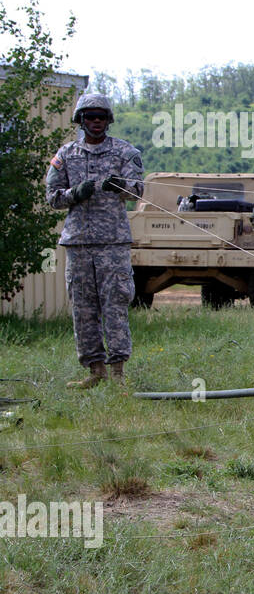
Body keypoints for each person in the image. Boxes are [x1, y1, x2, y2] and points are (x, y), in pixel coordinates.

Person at [44, 93, 144, 388]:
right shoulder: (65, 155)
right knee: (83, 308)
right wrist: (74, 194)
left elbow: (138, 191)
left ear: (108, 120)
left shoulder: (125, 153)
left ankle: (118, 374)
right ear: (81, 120)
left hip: (113, 243)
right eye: (90, 117)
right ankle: (94, 371)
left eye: (101, 116)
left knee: (115, 304)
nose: (96, 122)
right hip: (78, 242)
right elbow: (52, 197)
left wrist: (121, 186)